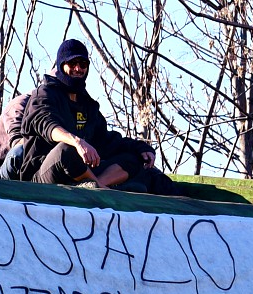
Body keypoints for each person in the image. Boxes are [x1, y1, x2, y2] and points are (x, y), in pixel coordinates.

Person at [16, 39, 177, 195]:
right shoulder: (44, 94)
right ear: (61, 65)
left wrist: (140, 148)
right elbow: (46, 124)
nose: (78, 68)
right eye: (72, 64)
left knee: (132, 159)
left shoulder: (87, 105)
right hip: (42, 177)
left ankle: (96, 186)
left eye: (83, 64)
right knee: (66, 150)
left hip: (81, 175)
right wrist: (77, 141)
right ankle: (102, 190)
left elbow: (107, 141)